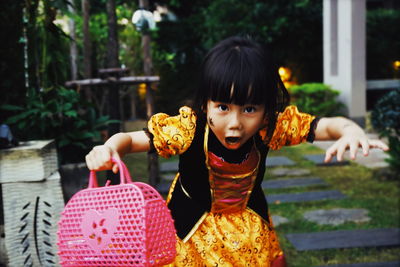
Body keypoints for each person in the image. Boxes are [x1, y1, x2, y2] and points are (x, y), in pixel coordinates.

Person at [85, 36, 388, 266]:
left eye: (250, 109)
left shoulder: (271, 127)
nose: (235, 124)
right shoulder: (189, 129)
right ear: (205, 104)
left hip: (248, 224)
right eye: (222, 107)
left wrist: (352, 131)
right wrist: (108, 148)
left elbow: (328, 125)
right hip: (190, 225)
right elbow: (130, 139)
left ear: (267, 108)